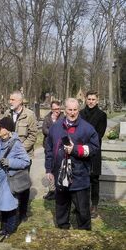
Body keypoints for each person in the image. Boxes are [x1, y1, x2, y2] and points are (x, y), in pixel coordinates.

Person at [45, 98, 98, 230]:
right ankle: (63, 230)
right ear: (64, 110)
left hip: (79, 176)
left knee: (83, 211)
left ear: (78, 110)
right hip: (60, 175)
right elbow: (49, 149)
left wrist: (75, 150)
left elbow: (95, 148)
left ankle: (84, 235)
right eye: (70, 110)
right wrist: (49, 169)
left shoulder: (87, 128)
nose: (72, 113)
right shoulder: (55, 127)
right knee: (61, 208)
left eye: (75, 110)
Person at [0, 117, 32, 240]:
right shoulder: (0, 141)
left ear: (7, 129)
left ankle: (10, 229)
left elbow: (26, 161)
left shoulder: (15, 143)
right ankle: (3, 228)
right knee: (2, 206)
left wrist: (10, 162)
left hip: (9, 179)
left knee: (9, 206)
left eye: (0, 127)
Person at [4, 91, 39, 221]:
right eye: (10, 99)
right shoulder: (7, 114)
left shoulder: (29, 115)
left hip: (24, 156)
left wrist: (19, 150)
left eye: (12, 99)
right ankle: (11, 210)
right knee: (11, 183)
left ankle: (23, 213)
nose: (10, 101)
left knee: (23, 185)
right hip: (9, 157)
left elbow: (33, 135)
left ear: (20, 101)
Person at [79, 91, 106, 218]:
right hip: (80, 151)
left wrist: (86, 143)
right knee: (81, 177)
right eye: (89, 99)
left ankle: (94, 205)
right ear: (85, 99)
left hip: (94, 151)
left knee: (94, 179)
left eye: (93, 99)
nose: (91, 101)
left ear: (97, 100)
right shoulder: (80, 114)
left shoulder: (102, 115)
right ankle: (82, 204)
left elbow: (99, 135)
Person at [41, 101, 62, 200]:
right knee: (49, 168)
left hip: (59, 147)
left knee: (58, 168)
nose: (57, 111)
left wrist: (53, 131)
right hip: (49, 146)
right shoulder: (47, 118)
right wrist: (54, 132)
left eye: (58, 109)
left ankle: (58, 189)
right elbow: (44, 130)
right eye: (54, 109)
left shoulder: (63, 118)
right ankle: (51, 190)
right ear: (51, 109)